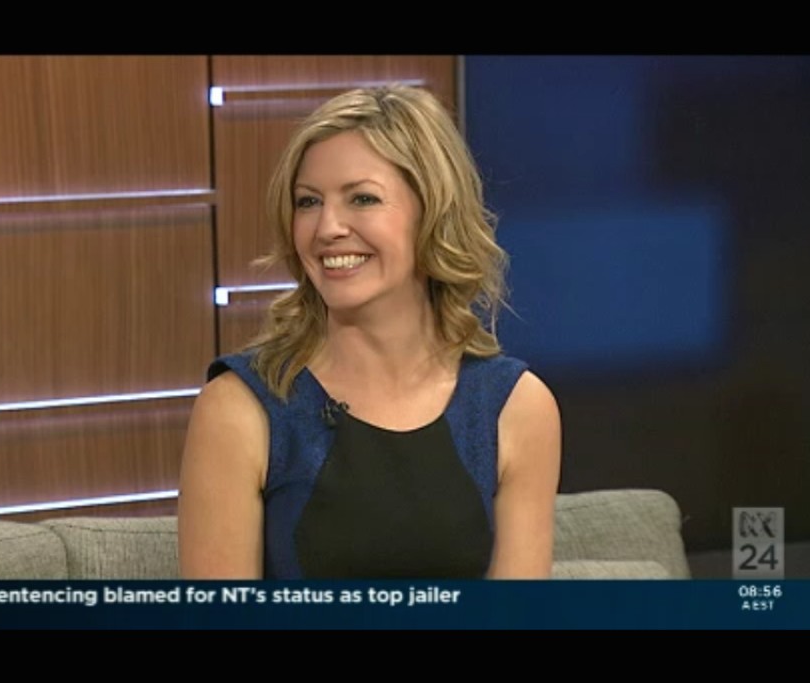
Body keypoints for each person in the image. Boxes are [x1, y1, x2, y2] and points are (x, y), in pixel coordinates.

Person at [178, 84, 561, 579]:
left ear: (433, 213)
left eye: (362, 198)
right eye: (308, 202)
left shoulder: (515, 408)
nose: (327, 228)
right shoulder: (240, 408)